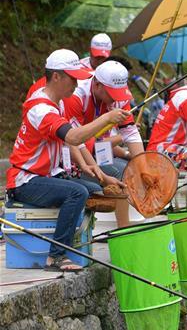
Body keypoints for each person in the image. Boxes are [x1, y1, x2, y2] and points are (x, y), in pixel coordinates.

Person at [6, 49, 129, 272]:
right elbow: (73, 136)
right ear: (56, 76)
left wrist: (101, 177)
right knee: (77, 193)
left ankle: (77, 245)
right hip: (25, 180)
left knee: (91, 188)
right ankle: (57, 256)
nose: (76, 84)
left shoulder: (59, 103)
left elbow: (72, 143)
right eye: (73, 78)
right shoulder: (41, 109)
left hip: (45, 175)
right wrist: (105, 119)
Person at [62, 60, 144, 227]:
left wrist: (143, 167)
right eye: (112, 94)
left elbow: (130, 132)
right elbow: (75, 141)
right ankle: (122, 228)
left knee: (131, 170)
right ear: (97, 85)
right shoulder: (76, 96)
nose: (116, 99)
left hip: (93, 149)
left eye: (119, 94)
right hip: (67, 150)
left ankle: (124, 230)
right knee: (118, 175)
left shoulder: (120, 98)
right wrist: (102, 176)